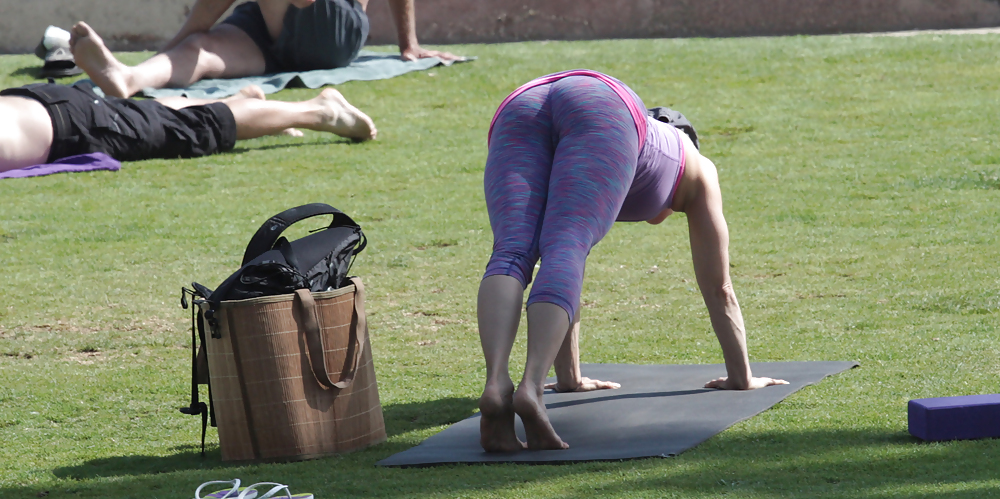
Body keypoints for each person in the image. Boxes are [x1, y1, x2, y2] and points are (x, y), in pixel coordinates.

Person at [477, 70, 790, 453]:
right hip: (604, 103)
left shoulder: (626, 157)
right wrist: (743, 377)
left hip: (521, 103)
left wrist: (571, 379)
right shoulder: (697, 166)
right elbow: (719, 287)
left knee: (513, 252)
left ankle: (496, 384)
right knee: (566, 247)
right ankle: (529, 389)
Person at [69, 0, 460, 99]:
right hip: (270, 28)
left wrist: (408, 45)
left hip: (335, 30)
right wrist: (167, 50)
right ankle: (129, 78)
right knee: (201, 49)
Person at [0, 82, 376, 174]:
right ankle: (240, 103)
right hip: (43, 104)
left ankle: (317, 111)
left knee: (196, 129)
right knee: (157, 115)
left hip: (73, 123)